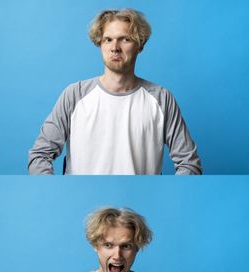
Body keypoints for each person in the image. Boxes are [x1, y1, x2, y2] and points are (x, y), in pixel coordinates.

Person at [29, 9, 202, 175]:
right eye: (108, 40)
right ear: (100, 44)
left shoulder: (161, 99)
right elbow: (40, 155)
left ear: (140, 45)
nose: (115, 47)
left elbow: (189, 163)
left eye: (125, 39)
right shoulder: (74, 95)